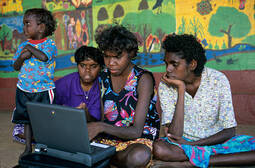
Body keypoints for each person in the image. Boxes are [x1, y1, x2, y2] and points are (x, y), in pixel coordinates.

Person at [152, 34, 255, 167]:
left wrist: (194, 145)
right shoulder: (166, 85)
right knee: (159, 149)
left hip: (216, 142)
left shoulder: (218, 80)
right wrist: (181, 90)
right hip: (182, 145)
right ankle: (213, 158)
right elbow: (174, 135)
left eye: (174, 64)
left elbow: (229, 131)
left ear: (192, 64)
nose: (168, 69)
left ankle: (190, 163)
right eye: (166, 63)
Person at [87, 25, 160, 168]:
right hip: (110, 140)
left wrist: (100, 126)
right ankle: (109, 158)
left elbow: (136, 131)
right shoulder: (103, 78)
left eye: (117, 57)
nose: (110, 63)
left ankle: (106, 159)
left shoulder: (143, 79)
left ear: (131, 54)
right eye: (107, 56)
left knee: (139, 155)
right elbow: (101, 119)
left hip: (137, 140)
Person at [12, 8, 57, 158]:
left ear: (41, 27)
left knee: (44, 120)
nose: (24, 28)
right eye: (24, 24)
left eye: (27, 24)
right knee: (26, 120)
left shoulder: (49, 44)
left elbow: (44, 58)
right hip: (24, 89)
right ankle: (27, 148)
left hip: (43, 90)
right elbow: (15, 66)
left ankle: (44, 147)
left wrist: (30, 48)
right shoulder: (22, 46)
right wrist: (22, 57)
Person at [54, 45, 104, 121]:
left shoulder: (102, 86)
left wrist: (85, 114)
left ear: (100, 67)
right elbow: (49, 110)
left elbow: (96, 120)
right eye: (83, 65)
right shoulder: (64, 83)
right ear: (77, 65)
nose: (87, 70)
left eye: (93, 66)